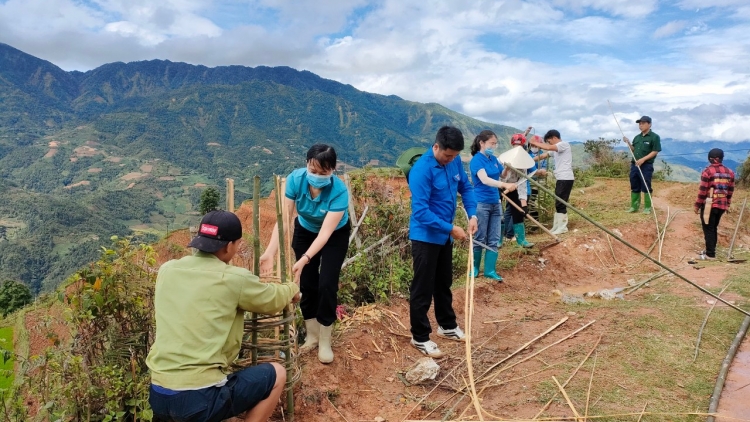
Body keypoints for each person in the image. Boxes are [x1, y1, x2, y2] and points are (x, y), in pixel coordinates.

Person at [147, 210, 300, 422]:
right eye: (237, 244)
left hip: (159, 393)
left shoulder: (167, 270)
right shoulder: (233, 279)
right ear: (229, 246)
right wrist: (292, 288)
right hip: (199, 397)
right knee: (277, 374)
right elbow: (271, 299)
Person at [260, 144, 350, 364]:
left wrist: (305, 258)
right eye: (313, 171)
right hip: (305, 230)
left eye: (323, 173)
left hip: (334, 236)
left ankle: (325, 340)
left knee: (327, 283)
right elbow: (284, 221)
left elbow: (326, 234)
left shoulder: (338, 191)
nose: (317, 176)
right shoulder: (295, 180)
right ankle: (312, 335)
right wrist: (270, 252)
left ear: (333, 170)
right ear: (307, 164)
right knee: (307, 283)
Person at [408, 125, 478, 358]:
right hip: (426, 237)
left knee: (443, 282)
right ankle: (419, 337)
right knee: (423, 287)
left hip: (445, 236)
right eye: (447, 155)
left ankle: (447, 326)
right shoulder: (422, 170)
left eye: (455, 156)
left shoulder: (454, 161)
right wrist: (450, 228)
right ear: (436, 146)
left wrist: (473, 214)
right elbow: (420, 211)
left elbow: (466, 188)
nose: (451, 160)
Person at [469, 130, 517, 281]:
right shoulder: (476, 160)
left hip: (495, 202)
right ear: (481, 143)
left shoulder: (493, 159)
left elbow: (501, 174)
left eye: (496, 144)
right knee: (479, 236)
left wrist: (507, 169)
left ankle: (490, 270)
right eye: (492, 143)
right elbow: (485, 180)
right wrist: (504, 184)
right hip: (481, 203)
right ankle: (475, 269)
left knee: (494, 237)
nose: (494, 146)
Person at [529, 130, 574, 234]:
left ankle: (562, 227)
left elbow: (548, 148)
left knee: (561, 202)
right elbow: (544, 155)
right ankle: (557, 226)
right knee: (558, 202)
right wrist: (530, 161)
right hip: (561, 178)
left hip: (565, 178)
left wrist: (535, 143)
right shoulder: (556, 149)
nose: (549, 144)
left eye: (549, 141)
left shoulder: (563, 145)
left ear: (554, 137)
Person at [694, 148, 735, 260]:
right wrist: (728, 204)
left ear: (710, 158)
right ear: (721, 158)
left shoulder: (708, 171)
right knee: (713, 227)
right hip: (722, 205)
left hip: (709, 204)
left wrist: (697, 205)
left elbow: (703, 191)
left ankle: (710, 254)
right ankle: (710, 250)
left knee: (708, 228)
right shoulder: (730, 172)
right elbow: (730, 190)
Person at [500, 133, 534, 248]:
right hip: (500, 187)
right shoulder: (504, 158)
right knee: (499, 213)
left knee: (519, 211)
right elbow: (500, 177)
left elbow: (522, 184)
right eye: (515, 145)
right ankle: (498, 240)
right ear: (512, 145)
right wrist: (506, 169)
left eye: (520, 146)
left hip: (515, 187)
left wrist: (524, 205)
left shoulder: (524, 162)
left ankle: (521, 240)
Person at [623, 116, 661, 214]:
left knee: (646, 185)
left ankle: (647, 208)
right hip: (634, 165)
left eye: (643, 123)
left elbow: (655, 151)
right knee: (634, 184)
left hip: (646, 166)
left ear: (649, 124)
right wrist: (628, 143)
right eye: (639, 124)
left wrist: (643, 159)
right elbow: (634, 150)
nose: (641, 125)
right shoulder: (637, 137)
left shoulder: (654, 137)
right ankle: (634, 207)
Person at [527, 135, 548, 228]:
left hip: (537, 183)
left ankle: (535, 221)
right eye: (533, 145)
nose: (534, 148)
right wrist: (536, 172)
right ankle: (533, 221)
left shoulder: (543, 155)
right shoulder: (526, 154)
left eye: (536, 146)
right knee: (528, 202)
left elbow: (543, 171)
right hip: (527, 181)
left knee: (532, 201)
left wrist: (536, 172)